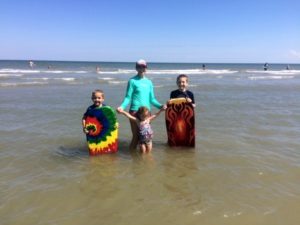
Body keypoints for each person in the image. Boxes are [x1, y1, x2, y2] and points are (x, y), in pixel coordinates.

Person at [117, 59, 166, 150]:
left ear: (146, 68)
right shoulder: (132, 81)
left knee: (145, 137)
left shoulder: (149, 82)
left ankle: (142, 161)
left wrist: (160, 106)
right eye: (139, 66)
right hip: (135, 112)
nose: (141, 68)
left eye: (143, 66)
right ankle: (132, 158)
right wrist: (122, 107)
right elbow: (128, 97)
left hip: (147, 113)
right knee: (136, 137)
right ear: (136, 68)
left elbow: (152, 99)